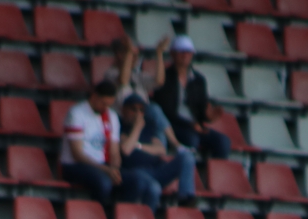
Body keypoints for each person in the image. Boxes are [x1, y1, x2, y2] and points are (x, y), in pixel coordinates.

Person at [61, 79, 145, 209]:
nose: (105, 108)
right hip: (75, 166)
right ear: (94, 96)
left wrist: (114, 170)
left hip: (101, 166)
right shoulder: (77, 113)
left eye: (109, 105)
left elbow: (114, 151)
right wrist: (107, 170)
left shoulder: (111, 116)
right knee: (104, 182)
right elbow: (77, 154)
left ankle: (118, 216)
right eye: (103, 103)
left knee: (136, 180)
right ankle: (101, 216)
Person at [151, 35, 230, 161]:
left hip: (193, 126)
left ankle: (213, 176)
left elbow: (201, 108)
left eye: (188, 52)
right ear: (172, 54)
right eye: (181, 52)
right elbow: (166, 110)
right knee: (191, 139)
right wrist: (190, 124)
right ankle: (188, 173)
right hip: (173, 126)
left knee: (223, 142)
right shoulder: (164, 78)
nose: (185, 55)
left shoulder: (199, 80)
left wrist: (209, 116)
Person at [117, 91, 195, 209]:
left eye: (141, 110)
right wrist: (137, 127)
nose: (138, 113)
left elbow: (161, 149)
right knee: (154, 188)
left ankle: (186, 198)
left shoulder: (149, 125)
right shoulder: (119, 125)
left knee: (187, 157)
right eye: (133, 109)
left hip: (157, 169)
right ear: (124, 110)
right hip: (136, 171)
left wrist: (138, 146)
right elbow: (126, 149)